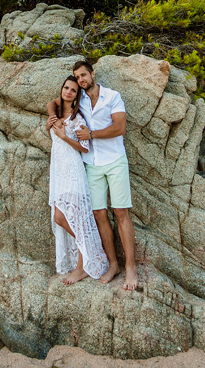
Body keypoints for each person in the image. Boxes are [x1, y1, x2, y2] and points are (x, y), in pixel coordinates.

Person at [47, 60, 139, 291]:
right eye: (78, 78)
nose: (81, 80)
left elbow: (120, 128)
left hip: (115, 160)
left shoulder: (112, 96)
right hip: (91, 165)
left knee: (121, 212)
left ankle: (131, 267)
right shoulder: (80, 100)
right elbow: (55, 102)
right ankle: (113, 264)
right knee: (98, 215)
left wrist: (91, 134)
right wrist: (53, 117)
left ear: (92, 74)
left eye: (84, 76)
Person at [46, 76, 110, 284]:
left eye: (73, 90)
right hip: (58, 171)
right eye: (66, 88)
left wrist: (66, 137)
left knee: (73, 218)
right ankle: (91, 249)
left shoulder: (78, 119)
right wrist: (50, 122)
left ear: (77, 95)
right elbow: (51, 104)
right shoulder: (55, 114)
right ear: (61, 89)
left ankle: (83, 264)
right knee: (59, 217)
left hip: (73, 170)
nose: (68, 92)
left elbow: (85, 148)